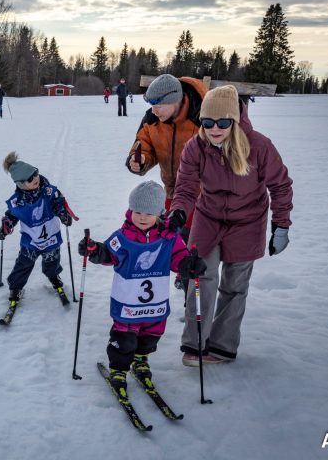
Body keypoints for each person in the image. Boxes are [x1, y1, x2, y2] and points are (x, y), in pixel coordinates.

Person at [168, 85, 293, 366]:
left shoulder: (259, 146)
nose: (214, 129)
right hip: (208, 218)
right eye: (207, 122)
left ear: (234, 121)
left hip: (247, 221)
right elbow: (187, 187)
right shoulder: (196, 147)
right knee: (201, 278)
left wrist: (281, 225)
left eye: (222, 122)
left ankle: (222, 347)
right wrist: (178, 212)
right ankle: (195, 343)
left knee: (234, 286)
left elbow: (281, 186)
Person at [77, 181, 203, 395]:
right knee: (124, 338)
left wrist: (188, 265)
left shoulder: (169, 239)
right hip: (128, 303)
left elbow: (179, 258)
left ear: (160, 213)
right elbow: (109, 253)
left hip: (156, 305)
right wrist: (94, 250)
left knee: (151, 336)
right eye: (137, 211)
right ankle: (118, 368)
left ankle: (140, 359)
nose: (142, 217)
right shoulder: (122, 237)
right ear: (130, 210)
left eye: (148, 212)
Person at [126, 74, 206, 238]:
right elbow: (143, 144)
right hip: (171, 194)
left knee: (192, 249)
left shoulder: (202, 117)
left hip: (201, 198)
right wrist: (139, 160)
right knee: (168, 245)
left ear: (174, 100)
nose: (153, 110)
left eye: (158, 104)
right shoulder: (152, 119)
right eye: (150, 104)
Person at [0, 152, 75, 304]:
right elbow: (11, 215)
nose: (36, 178)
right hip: (31, 240)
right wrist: (6, 225)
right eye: (30, 178)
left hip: (51, 237)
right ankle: (16, 288)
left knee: (52, 262)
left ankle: (53, 276)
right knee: (23, 265)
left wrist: (64, 214)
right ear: (20, 184)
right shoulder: (17, 202)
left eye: (36, 173)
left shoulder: (49, 191)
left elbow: (58, 203)